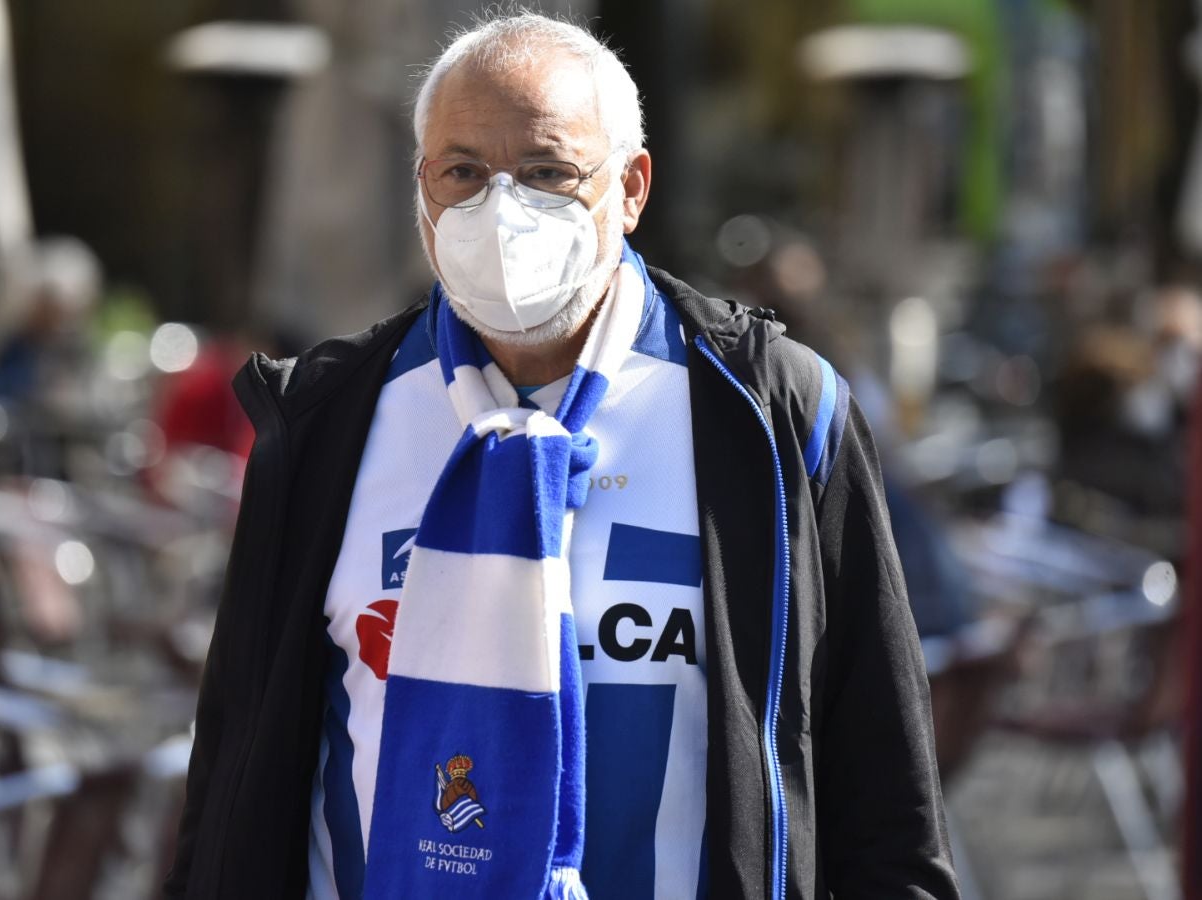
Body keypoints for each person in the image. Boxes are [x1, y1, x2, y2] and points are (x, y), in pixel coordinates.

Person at [165, 12, 957, 900]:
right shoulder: (324, 425)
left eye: (547, 172)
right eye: (462, 172)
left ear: (631, 187)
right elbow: (235, 765)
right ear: (419, 187)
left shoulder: (769, 415)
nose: (501, 212)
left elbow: (885, 794)